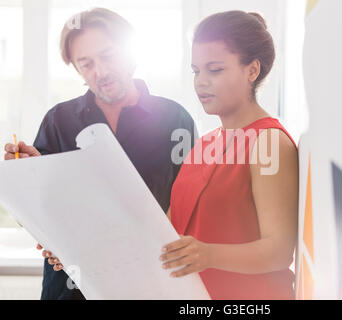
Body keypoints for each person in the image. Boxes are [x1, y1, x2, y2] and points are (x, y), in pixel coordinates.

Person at [3, 8, 197, 300]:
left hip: (151, 284)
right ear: (77, 69)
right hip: (70, 288)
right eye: (86, 63)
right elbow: (35, 219)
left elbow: (196, 210)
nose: (101, 71)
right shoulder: (58, 121)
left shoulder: (175, 119)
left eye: (108, 55)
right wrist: (26, 178)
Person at [159, 11, 299, 299]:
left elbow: (279, 250)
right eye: (196, 71)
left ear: (252, 70)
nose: (201, 82)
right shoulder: (203, 144)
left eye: (215, 70)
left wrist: (208, 254)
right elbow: (166, 236)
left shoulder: (269, 142)